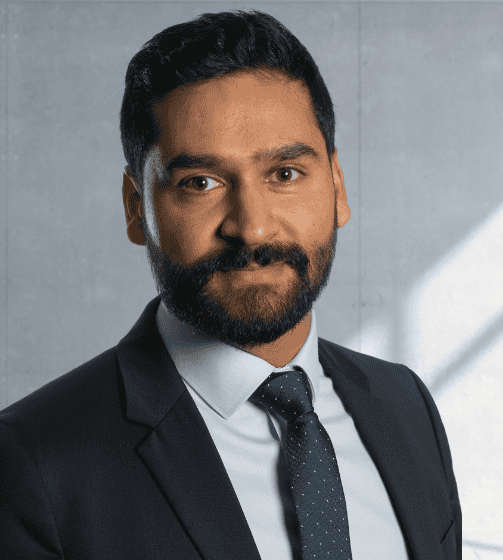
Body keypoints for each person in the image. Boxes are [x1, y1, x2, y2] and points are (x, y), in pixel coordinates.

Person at [0, 10, 461, 560]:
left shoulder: (405, 406)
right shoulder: (34, 462)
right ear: (135, 207)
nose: (252, 227)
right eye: (201, 182)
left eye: (285, 174)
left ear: (337, 186)